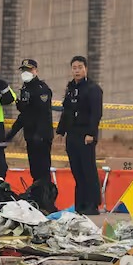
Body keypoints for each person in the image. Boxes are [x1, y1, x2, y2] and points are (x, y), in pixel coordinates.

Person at [57, 55, 103, 215]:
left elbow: (96, 113)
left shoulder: (92, 88)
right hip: (73, 134)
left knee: (87, 169)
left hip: (85, 134)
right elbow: (67, 111)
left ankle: (92, 203)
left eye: (80, 67)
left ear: (86, 69)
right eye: (74, 68)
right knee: (76, 170)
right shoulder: (71, 88)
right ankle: (80, 204)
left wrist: (91, 133)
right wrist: (61, 131)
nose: (77, 71)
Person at [7, 58, 54, 183]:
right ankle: (37, 193)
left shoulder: (41, 89)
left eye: (29, 70)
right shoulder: (25, 89)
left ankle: (45, 196)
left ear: (36, 71)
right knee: (34, 170)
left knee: (43, 170)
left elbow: (44, 114)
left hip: (41, 137)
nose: (25, 73)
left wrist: (39, 134)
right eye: (24, 70)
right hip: (30, 135)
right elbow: (24, 114)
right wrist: (11, 133)